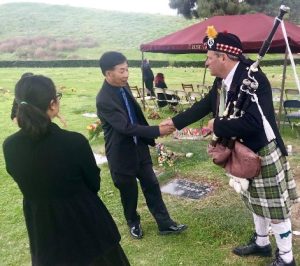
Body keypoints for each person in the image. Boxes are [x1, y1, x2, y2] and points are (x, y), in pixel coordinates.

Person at [161, 27, 299, 266]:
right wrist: (175, 122)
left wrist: (219, 124)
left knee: (275, 208)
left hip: (261, 149)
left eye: (209, 57)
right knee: (254, 201)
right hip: (242, 152)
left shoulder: (253, 78)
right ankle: (262, 243)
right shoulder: (222, 80)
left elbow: (254, 123)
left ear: (223, 57)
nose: (206, 63)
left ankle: (286, 258)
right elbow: (206, 104)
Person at [3, 75, 130, 266]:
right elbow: (93, 183)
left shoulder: (10, 146)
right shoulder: (73, 142)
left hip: (43, 231)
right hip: (87, 228)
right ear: (53, 104)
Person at [96, 51, 187, 239]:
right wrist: (157, 130)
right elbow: (125, 127)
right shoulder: (104, 99)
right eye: (121, 71)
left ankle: (165, 223)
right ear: (108, 74)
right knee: (129, 192)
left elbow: (135, 115)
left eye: (127, 69)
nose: (126, 75)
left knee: (152, 185)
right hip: (121, 153)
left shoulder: (124, 86)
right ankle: (133, 222)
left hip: (139, 148)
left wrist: (148, 137)